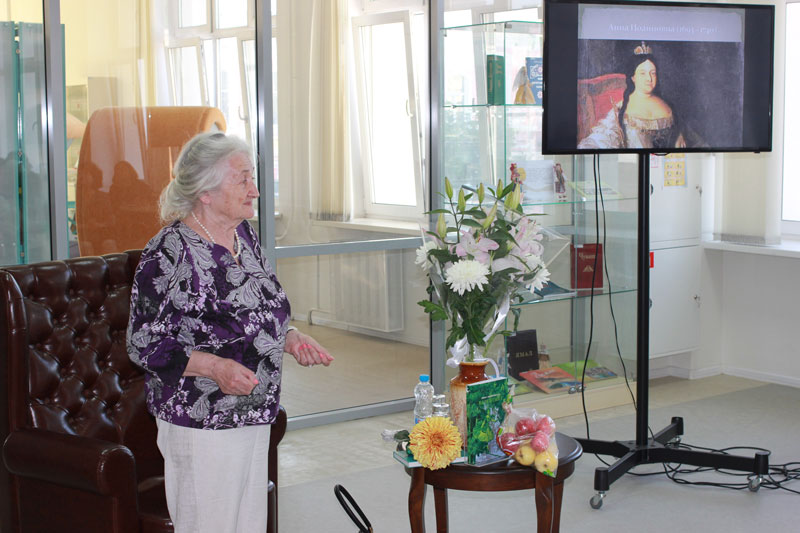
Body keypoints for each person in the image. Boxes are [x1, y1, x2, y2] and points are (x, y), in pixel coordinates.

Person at [126, 131, 333, 533]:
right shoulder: (169, 251)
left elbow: (259, 309)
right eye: (242, 179)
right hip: (201, 420)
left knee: (248, 525)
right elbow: (143, 342)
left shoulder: (243, 237)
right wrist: (215, 367)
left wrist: (289, 337)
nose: (254, 190)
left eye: (251, 177)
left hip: (254, 410)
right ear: (205, 191)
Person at [578, 42, 701, 150]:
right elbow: (600, 140)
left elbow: (694, 140)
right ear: (633, 77)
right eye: (643, 73)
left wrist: (679, 134)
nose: (649, 78)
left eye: (653, 73)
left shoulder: (668, 105)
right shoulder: (621, 110)